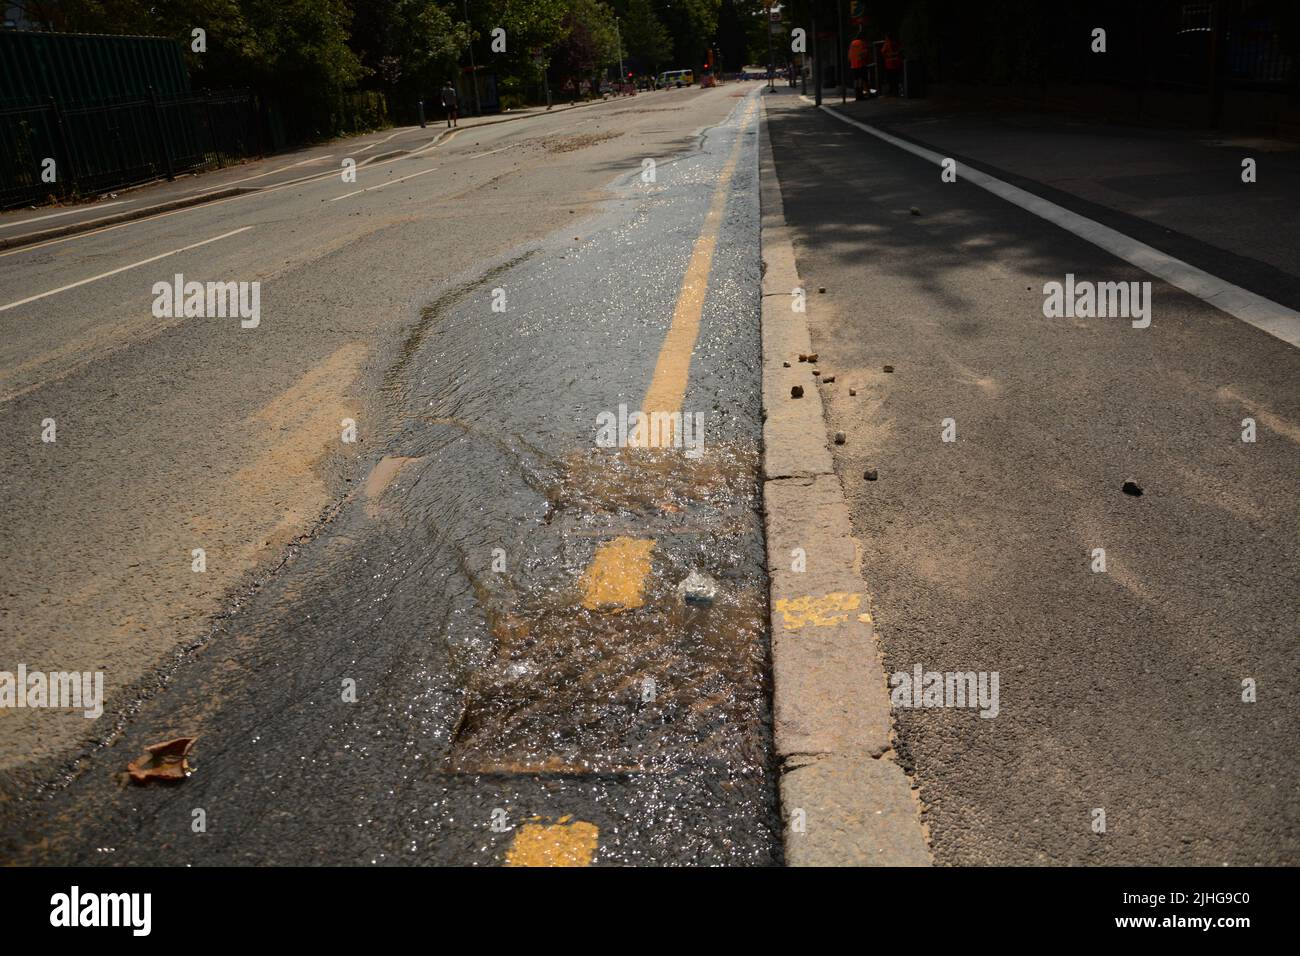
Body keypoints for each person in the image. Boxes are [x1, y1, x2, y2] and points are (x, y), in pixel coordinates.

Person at [848, 31, 869, 100]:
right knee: (860, 79)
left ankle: (857, 95)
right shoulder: (862, 43)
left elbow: (849, 55)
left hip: (853, 64)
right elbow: (864, 53)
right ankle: (860, 94)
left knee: (856, 80)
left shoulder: (852, 43)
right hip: (860, 63)